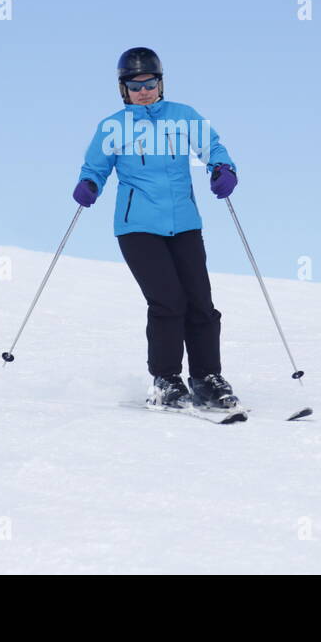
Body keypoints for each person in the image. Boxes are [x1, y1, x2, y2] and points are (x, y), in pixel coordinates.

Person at [74, 47, 240, 409]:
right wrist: (89, 185)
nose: (144, 90)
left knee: (201, 303)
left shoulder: (184, 116)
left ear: (160, 83)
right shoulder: (113, 126)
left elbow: (212, 147)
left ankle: (207, 378)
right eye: (135, 85)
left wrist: (223, 168)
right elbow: (95, 167)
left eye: (150, 83)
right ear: (124, 90)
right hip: (138, 228)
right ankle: (166, 380)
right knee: (168, 301)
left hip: (184, 224)